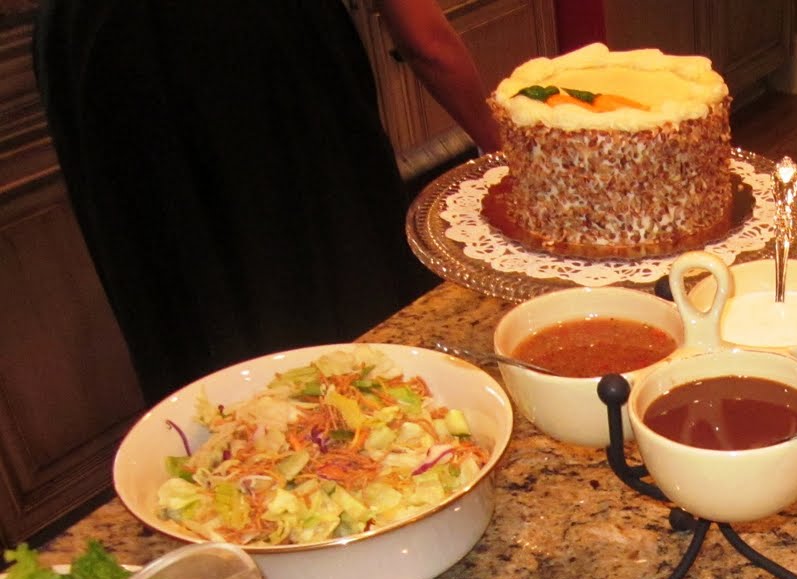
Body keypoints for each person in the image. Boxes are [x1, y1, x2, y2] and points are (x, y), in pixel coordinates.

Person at [33, 0, 501, 404]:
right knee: (329, 279)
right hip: (253, 40)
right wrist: (503, 149)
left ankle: (225, 453)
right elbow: (426, 41)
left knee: (181, 291)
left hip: (90, 40)